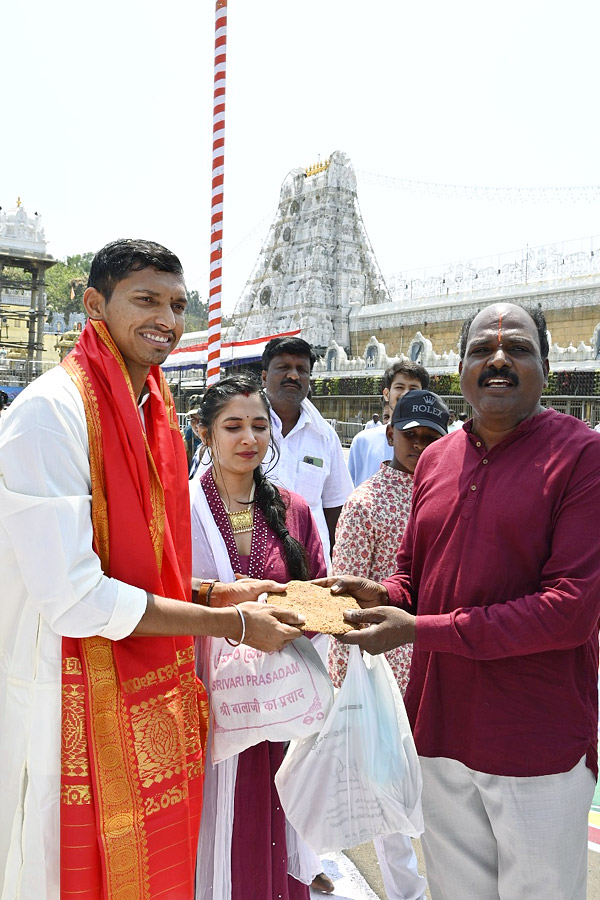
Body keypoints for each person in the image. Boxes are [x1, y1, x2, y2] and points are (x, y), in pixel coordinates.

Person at [0, 239, 303, 900]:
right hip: (60, 691)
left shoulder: (154, 414)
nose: (166, 317)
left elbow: (137, 567)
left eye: (175, 303)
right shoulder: (50, 415)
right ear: (92, 304)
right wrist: (232, 623)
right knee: (53, 874)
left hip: (139, 690)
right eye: (145, 299)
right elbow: (76, 598)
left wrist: (208, 591)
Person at [322, 303, 600, 900]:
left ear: (545, 368)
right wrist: (378, 596)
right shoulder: (437, 461)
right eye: (482, 350)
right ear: (461, 370)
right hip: (441, 730)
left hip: (536, 739)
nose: (498, 359)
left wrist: (420, 630)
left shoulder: (581, 456)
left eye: (518, 349)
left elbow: (569, 610)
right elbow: (412, 580)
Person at [189, 374, 326, 900]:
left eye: (259, 426)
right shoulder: (181, 508)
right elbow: (156, 592)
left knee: (276, 816)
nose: (249, 439)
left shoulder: (293, 509)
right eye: (233, 426)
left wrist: (288, 621)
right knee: (216, 820)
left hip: (278, 699)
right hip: (206, 703)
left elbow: (316, 594)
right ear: (205, 433)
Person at [328, 390, 449, 900]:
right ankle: (406, 893)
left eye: (430, 438)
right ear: (390, 434)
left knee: (437, 791)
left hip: (437, 661)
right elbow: (342, 593)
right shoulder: (366, 502)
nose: (418, 446)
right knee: (388, 795)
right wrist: (346, 671)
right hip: (379, 672)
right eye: (410, 435)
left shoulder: (449, 493)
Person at [261, 335, 353, 562]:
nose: (293, 375)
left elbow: (336, 506)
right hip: (251, 559)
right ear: (264, 377)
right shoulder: (239, 426)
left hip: (310, 563)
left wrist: (334, 561)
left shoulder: (325, 436)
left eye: (301, 370)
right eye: (283, 367)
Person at [347, 361, 429, 487]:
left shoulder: (430, 444)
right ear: (386, 394)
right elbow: (348, 487)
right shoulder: (363, 441)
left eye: (413, 389)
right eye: (399, 387)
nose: (405, 394)